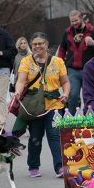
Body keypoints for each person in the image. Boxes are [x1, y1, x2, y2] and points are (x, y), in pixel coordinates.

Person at [13, 32, 70, 178]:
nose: (38, 46)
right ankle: (33, 166)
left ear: (46, 44)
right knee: (35, 136)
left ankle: (59, 167)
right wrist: (17, 92)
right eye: (35, 44)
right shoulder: (26, 61)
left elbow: (65, 82)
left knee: (54, 136)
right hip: (34, 105)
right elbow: (20, 81)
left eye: (40, 43)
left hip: (54, 104)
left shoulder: (57, 61)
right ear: (32, 46)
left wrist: (65, 93)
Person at [57, 10, 94, 115]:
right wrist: (60, 66)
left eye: (76, 20)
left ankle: (89, 116)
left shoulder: (92, 31)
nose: (74, 23)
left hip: (88, 69)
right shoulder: (67, 32)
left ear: (81, 18)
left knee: (88, 95)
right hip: (72, 69)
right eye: (71, 21)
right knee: (73, 95)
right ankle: (71, 117)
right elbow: (62, 49)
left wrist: (93, 43)